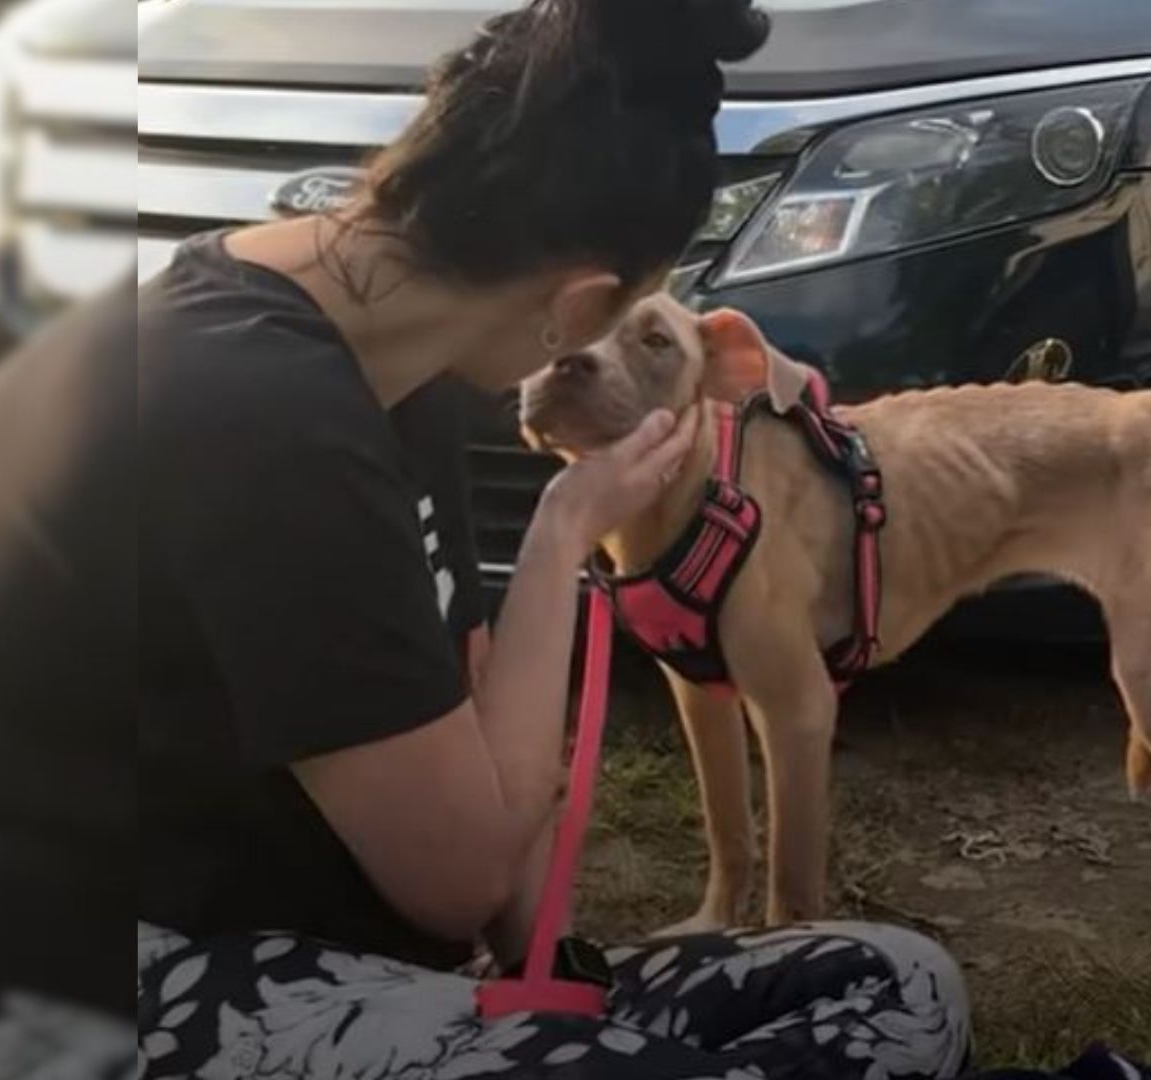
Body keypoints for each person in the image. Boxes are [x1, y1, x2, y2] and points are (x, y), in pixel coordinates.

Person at [131, 0, 972, 1076]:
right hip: (151, 977)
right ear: (578, 309)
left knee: (899, 984)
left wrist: (560, 982)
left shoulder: (394, 371)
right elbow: (460, 873)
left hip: (375, 963)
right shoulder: (250, 410)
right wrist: (564, 529)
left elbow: (484, 736)